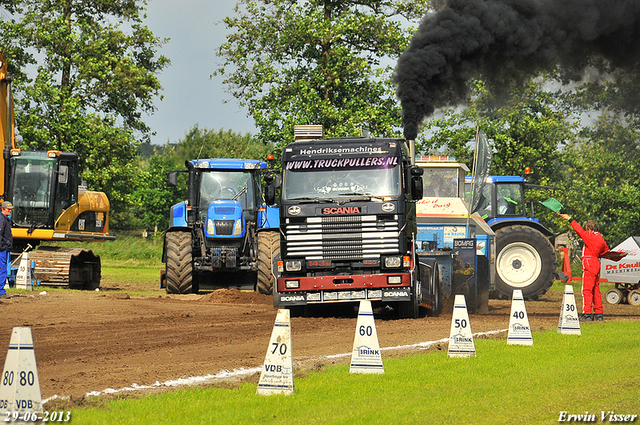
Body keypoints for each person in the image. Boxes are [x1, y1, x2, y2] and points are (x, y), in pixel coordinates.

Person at [559, 213, 609, 322]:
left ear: (589, 228)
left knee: (586, 290)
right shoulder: (601, 238)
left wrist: (570, 219)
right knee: (596, 289)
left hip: (589, 263)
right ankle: (598, 313)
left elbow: (579, 230)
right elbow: (606, 251)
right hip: (596, 263)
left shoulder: (589, 236)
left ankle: (587, 314)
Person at [0, 201, 14, 298]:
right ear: (3, 209)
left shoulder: (5, 219)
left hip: (3, 248)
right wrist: (2, 246)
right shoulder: (2, 220)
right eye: (8, 209)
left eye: (10, 209)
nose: (10, 211)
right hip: (1, 249)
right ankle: (1, 291)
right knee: (2, 269)